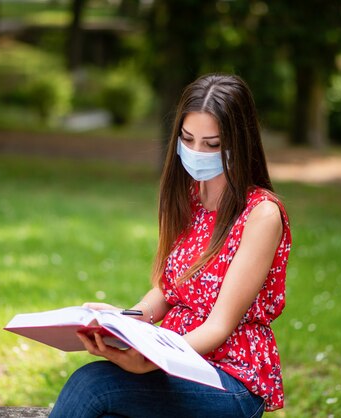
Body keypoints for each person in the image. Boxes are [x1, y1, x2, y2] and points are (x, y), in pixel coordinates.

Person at [49, 74, 292, 418]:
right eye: (187, 139)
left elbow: (219, 326)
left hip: (230, 380)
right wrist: (125, 321)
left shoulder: (261, 215)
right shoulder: (191, 196)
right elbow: (167, 290)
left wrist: (151, 360)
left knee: (92, 385)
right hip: (177, 363)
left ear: (240, 143)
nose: (195, 153)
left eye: (211, 144)